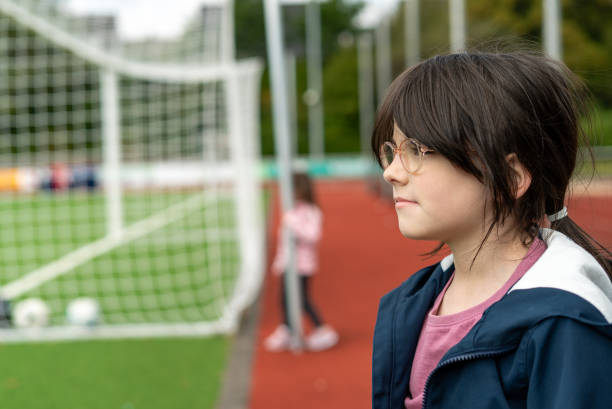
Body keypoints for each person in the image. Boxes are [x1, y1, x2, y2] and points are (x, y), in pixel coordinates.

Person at [371, 50, 612, 409]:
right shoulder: (412, 302)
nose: (391, 171)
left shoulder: (564, 323)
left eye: (417, 150)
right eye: (392, 150)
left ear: (511, 177)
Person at [264, 172, 339, 352]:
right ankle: (287, 328)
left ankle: (321, 329)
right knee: (284, 299)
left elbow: (313, 235)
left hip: (303, 266)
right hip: (289, 265)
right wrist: (280, 261)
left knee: (302, 299)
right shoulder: (292, 210)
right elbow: (284, 241)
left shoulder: (311, 212)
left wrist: (294, 224)